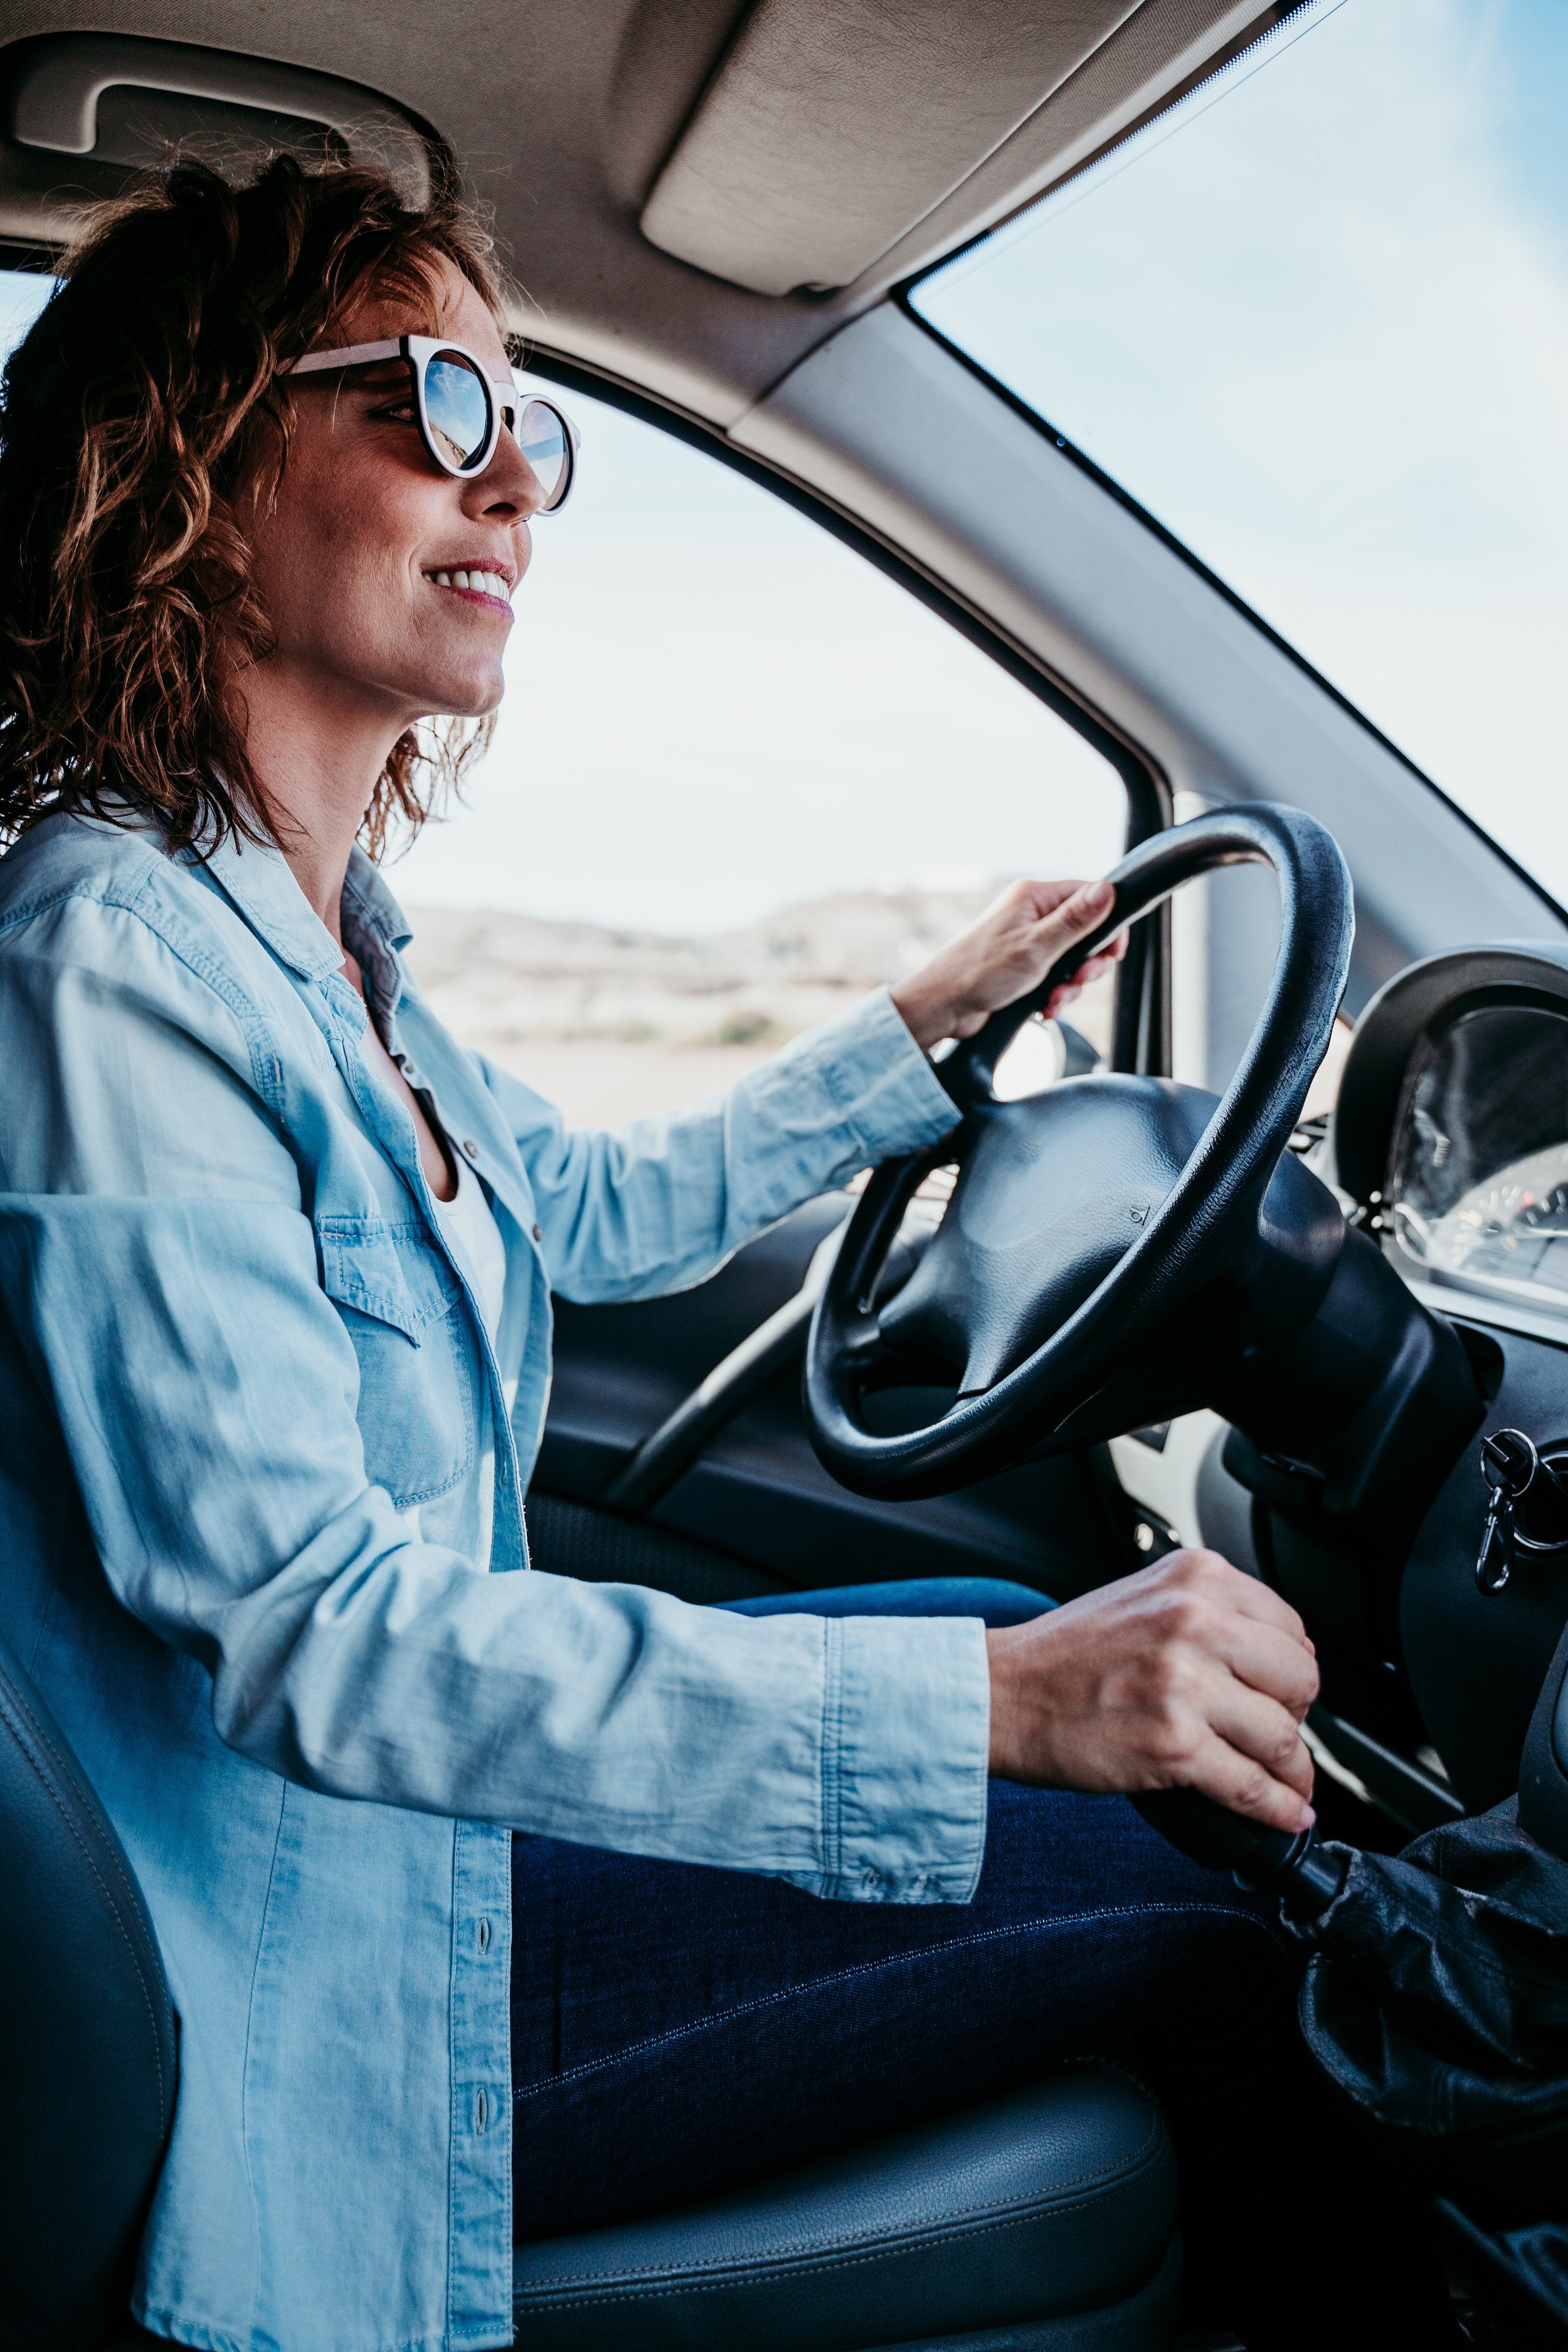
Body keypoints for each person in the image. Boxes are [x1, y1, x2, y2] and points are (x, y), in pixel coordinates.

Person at [0, 159, 1446, 2352]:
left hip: (387, 1863)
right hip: (300, 1981)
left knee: (1000, 1607)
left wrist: (911, 1036)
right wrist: (997, 1715)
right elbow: (312, 1638)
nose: (518, 490)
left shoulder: (304, 942)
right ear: (191, 459)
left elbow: (569, 1215)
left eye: (534, 433)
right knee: (1200, 1860)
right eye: (436, 411)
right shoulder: (110, 964)